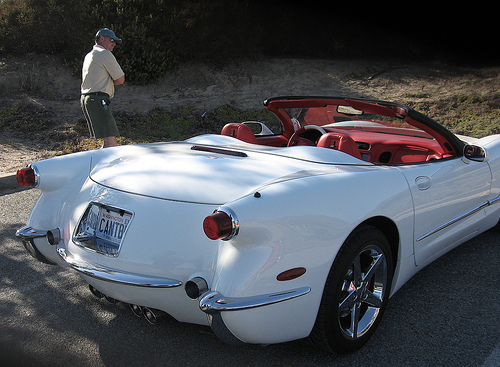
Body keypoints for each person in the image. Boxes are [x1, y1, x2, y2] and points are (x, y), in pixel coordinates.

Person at [81, 28, 125, 148]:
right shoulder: (104, 53)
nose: (114, 44)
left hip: (88, 99)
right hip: (99, 99)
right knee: (111, 143)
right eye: (112, 40)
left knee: (106, 142)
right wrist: (111, 81)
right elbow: (120, 79)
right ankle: (109, 166)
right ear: (101, 39)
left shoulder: (89, 55)